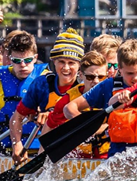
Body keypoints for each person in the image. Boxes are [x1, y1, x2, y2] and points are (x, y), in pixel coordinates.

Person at [8, 29, 83, 164]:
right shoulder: (41, 85)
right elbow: (16, 118)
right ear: (54, 61)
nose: (66, 68)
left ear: (79, 65)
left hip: (81, 152)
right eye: (61, 62)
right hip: (51, 149)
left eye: (71, 63)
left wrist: (52, 115)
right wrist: (17, 144)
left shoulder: (86, 85)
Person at [65, 39, 137, 157]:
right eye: (130, 73)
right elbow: (69, 108)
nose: (135, 78)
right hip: (119, 154)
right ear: (119, 68)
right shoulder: (108, 86)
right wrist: (88, 127)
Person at [42, 51, 109, 158]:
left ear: (107, 76)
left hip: (107, 156)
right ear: (81, 75)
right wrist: (42, 156)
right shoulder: (68, 100)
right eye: (90, 77)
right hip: (77, 158)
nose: (96, 81)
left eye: (101, 77)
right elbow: (49, 126)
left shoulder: (113, 94)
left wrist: (103, 127)